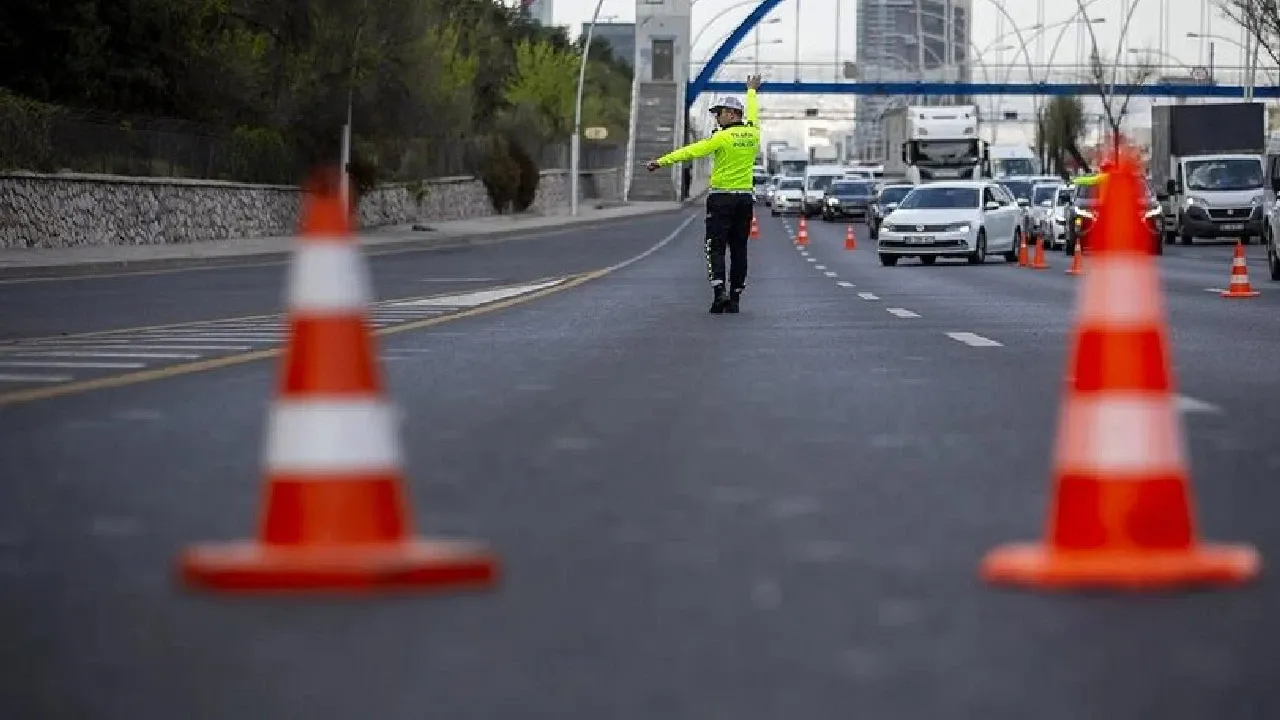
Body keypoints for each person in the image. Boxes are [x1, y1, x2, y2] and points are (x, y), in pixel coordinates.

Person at [648, 75, 762, 314]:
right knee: (739, 248)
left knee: (715, 246)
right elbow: (753, 113)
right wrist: (751, 91)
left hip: (721, 199)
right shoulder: (753, 134)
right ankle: (736, 296)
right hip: (744, 200)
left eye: (719, 113)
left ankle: (719, 291)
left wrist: (661, 161)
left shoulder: (720, 138)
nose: (717, 118)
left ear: (731, 114)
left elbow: (691, 151)